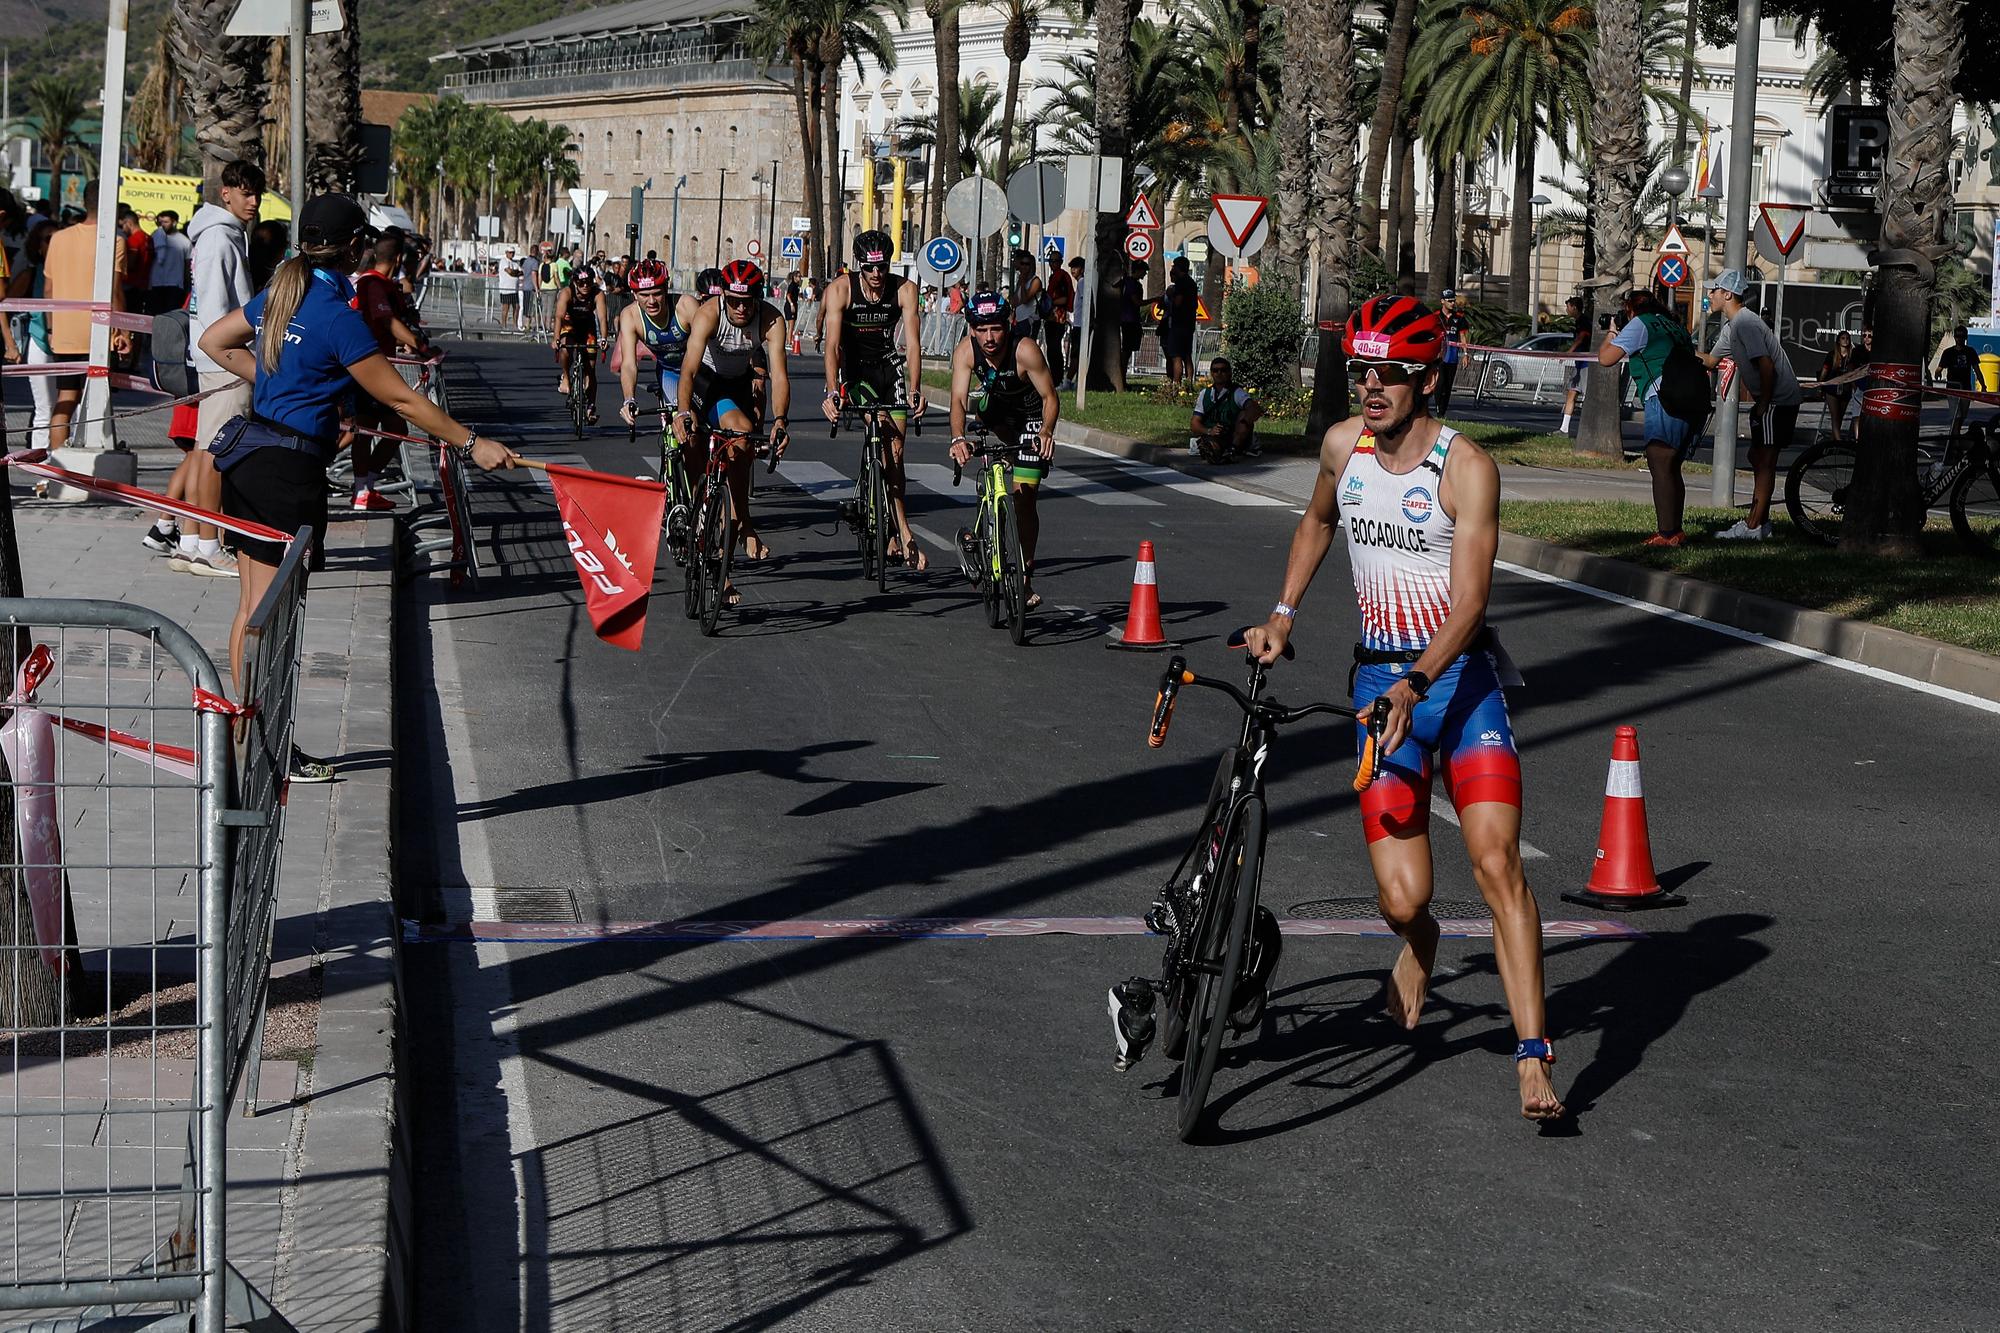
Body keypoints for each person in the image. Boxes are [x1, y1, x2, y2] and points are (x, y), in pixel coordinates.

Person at [1242, 294, 1561, 1124]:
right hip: (1373, 690)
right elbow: (1316, 523)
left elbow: (1470, 605)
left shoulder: (1466, 467)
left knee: (1497, 863)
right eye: (1361, 371)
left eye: (1390, 373)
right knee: (1402, 898)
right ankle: (1418, 943)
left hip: (1456, 689)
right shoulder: (1343, 447)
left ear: (1428, 377)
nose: (1373, 387)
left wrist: (1416, 681)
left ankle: (1533, 1056)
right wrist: (1283, 612)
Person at [196, 194, 516, 778]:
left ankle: (249, 734)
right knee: (272, 617)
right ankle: (261, 748)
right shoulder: (336, 315)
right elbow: (400, 397)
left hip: (251, 457)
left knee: (250, 609)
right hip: (285, 473)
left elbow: (214, 342)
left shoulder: (283, 292)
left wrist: (284, 378)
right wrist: (473, 442)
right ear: (352, 248)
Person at [675, 258, 792, 588]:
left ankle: (741, 521)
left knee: (744, 444)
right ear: (724, 296)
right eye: (733, 301)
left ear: (758, 298)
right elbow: (688, 370)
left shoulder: (771, 319)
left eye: (747, 301)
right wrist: (683, 412)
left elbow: (780, 377)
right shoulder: (709, 313)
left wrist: (780, 420)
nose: (740, 308)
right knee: (694, 445)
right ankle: (701, 511)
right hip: (706, 382)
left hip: (737, 383)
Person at [821, 229, 928, 569]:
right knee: (879, 429)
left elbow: (912, 344)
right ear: (859, 268)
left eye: (882, 268)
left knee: (896, 454)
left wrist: (915, 387)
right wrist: (832, 389)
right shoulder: (841, 290)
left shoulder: (904, 290)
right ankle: (902, 532)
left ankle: (894, 526)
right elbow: (833, 346)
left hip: (888, 366)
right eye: (870, 269)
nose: (877, 275)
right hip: (857, 371)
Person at [180, 158, 267, 576]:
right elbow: (217, 309)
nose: (253, 201)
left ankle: (191, 539)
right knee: (218, 453)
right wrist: (239, 356)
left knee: (203, 451)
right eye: (246, 192)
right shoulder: (219, 238)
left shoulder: (220, 235)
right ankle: (209, 546)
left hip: (216, 356)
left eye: (257, 193)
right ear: (225, 192)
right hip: (225, 358)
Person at [948, 289, 1059, 610]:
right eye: (981, 330)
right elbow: (957, 399)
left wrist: (1047, 432)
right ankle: (980, 534)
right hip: (994, 414)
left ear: (1008, 325)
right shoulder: (966, 352)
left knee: (1025, 498)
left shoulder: (1025, 350)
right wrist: (957, 438)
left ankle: (1024, 578)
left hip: (1030, 417)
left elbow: (1051, 397)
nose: (989, 337)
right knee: (982, 421)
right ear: (971, 330)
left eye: (995, 328)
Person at [1698, 269, 1802, 540]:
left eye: (1714, 290)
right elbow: (1710, 361)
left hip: (1777, 401)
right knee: (1756, 457)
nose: (1710, 295)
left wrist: (1764, 403)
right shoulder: (1731, 327)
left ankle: (1754, 526)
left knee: (1765, 461)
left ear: (1728, 294)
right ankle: (1761, 523)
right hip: (1771, 402)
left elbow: (1766, 365)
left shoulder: (1746, 323)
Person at [1598, 288, 1702, 547]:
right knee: (1671, 466)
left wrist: (1612, 331)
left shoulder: (1640, 324)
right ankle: (1674, 531)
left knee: (1659, 462)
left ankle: (1666, 534)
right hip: (1691, 398)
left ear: (1631, 310)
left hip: (1663, 397)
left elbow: (1606, 358)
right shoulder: (1674, 325)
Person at [43, 180, 132, 451]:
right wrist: (125, 331)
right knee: (98, 402)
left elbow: (48, 289)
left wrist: (50, 329)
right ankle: (91, 465)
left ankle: (55, 464)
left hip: (65, 331)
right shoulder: (115, 241)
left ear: (84, 202)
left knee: (65, 397)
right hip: (100, 331)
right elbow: (115, 292)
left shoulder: (58, 238)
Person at [351, 230, 430, 511]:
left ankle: (364, 488)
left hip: (376, 364)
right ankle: (362, 488)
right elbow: (386, 322)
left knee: (373, 429)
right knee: (382, 429)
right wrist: (419, 345)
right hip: (371, 367)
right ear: (397, 259)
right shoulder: (372, 284)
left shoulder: (378, 284)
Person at [615, 257, 702, 433]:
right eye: (644, 295)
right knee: (684, 427)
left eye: (657, 293)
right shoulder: (630, 316)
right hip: (669, 372)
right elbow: (629, 364)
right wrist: (629, 399)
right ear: (634, 294)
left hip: (700, 372)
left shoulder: (685, 306)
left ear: (666, 288)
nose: (652, 301)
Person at [552, 264, 608, 420]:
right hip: (569, 325)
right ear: (575, 282)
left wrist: (603, 338)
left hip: (587, 327)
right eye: (581, 283)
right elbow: (559, 317)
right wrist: (556, 338)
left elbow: (602, 318)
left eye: (588, 282)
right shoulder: (567, 292)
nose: (585, 286)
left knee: (590, 369)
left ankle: (590, 406)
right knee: (565, 348)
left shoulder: (597, 294)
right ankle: (566, 377)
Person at [1189, 356, 1265, 462]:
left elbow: (1253, 408)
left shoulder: (1237, 393)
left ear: (1230, 373)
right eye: (1215, 370)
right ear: (1211, 373)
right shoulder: (1204, 394)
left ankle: (1233, 450)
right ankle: (1214, 451)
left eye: (1223, 370)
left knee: (1244, 414)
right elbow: (1194, 423)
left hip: (1234, 434)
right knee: (1211, 447)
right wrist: (1209, 431)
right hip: (1214, 434)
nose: (1219, 373)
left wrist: (1245, 421)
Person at [1935, 324, 1978, 436]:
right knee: (1956, 416)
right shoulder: (1948, 352)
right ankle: (1955, 439)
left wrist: (1983, 385)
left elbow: (1977, 369)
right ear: (1955, 337)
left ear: (1966, 337)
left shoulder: (1970, 351)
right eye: (1958, 336)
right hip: (1953, 387)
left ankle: (1955, 435)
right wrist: (1937, 373)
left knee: (1963, 415)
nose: (1960, 339)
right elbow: (1939, 368)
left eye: (1962, 336)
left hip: (1966, 388)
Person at [1818, 331, 1862, 442]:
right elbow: (1824, 371)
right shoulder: (1832, 355)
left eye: (1847, 338)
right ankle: (1838, 441)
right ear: (1838, 340)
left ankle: (1833, 440)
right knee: (1835, 416)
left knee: (1840, 416)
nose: (1845, 340)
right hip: (1832, 388)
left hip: (1845, 389)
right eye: (1843, 338)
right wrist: (1820, 385)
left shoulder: (1852, 356)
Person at [146, 210, 192, 314]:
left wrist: (186, 284)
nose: (162, 225)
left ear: (174, 222)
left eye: (166, 222)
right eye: (160, 222)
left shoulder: (184, 241)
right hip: (156, 283)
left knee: (170, 315)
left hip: (174, 284)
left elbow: (187, 264)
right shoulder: (155, 236)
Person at [1162, 256, 1199, 383]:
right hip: (1189, 324)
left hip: (1178, 324)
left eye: (1173, 266)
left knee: (1176, 356)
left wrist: (1170, 296)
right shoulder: (1192, 283)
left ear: (1178, 268)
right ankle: (1189, 382)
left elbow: (1178, 302)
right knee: (1187, 355)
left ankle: (1176, 384)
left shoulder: (1181, 284)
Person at [1433, 289, 1470, 414]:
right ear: (1442, 301)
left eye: (1453, 300)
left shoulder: (1459, 318)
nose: (1452, 303)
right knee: (1440, 382)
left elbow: (1463, 337)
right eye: (1449, 301)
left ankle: (1443, 410)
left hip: (1453, 356)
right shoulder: (1436, 316)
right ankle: (1438, 405)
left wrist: (1465, 354)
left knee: (1448, 385)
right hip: (1440, 356)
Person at [1043, 248, 1074, 388]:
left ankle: (1057, 378)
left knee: (1055, 348)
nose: (1052, 264)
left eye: (1055, 261)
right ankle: (1055, 376)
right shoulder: (1055, 276)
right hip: (1051, 318)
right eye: (1051, 261)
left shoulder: (1061, 277)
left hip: (1057, 318)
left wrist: (1049, 302)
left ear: (1060, 262)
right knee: (1051, 348)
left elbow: (1064, 298)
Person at [1558, 296, 1588, 434]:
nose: (1567, 310)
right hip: (1579, 363)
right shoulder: (1578, 321)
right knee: (1571, 393)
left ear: (1574, 307)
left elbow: (1582, 336)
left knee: (1587, 395)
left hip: (1587, 363)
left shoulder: (1583, 321)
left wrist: (1569, 352)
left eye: (1568, 306)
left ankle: (1589, 428)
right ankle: (1564, 428)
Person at [1119, 259, 1148, 375]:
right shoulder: (1132, 284)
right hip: (1129, 320)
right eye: (1144, 271)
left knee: (1128, 350)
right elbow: (1137, 302)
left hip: (1129, 319)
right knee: (1127, 351)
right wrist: (1154, 300)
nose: (1145, 274)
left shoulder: (1127, 282)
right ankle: (1122, 377)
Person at [1008, 248, 1042, 341]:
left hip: (1030, 319)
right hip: (1019, 319)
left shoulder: (1035, 281)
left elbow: (1025, 299)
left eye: (1027, 264)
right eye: (1022, 264)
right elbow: (1014, 301)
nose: (1024, 267)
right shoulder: (1020, 280)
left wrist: (1023, 282)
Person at [1063, 256, 1085, 391]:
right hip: (1077, 323)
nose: (1073, 271)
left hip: (1080, 325)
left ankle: (1068, 381)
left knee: (1076, 355)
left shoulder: (1082, 283)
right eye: (1071, 268)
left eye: (1075, 268)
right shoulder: (1080, 283)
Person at [497, 246, 523, 330]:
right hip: (506, 289)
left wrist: (515, 272)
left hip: (514, 290)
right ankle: (503, 325)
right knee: (506, 307)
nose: (511, 254)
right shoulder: (503, 261)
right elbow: (510, 272)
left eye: (513, 252)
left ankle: (515, 325)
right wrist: (515, 272)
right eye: (510, 252)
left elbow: (521, 272)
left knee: (517, 307)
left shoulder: (515, 263)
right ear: (506, 252)